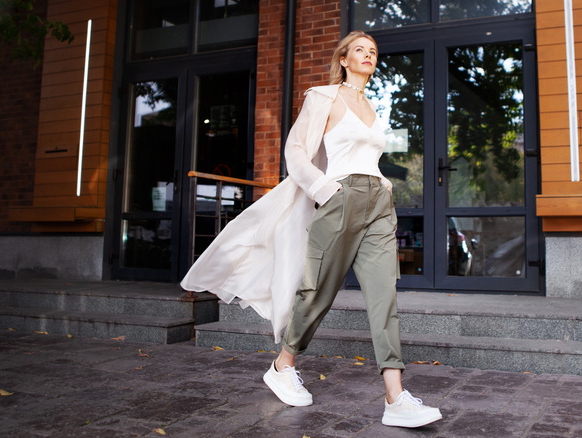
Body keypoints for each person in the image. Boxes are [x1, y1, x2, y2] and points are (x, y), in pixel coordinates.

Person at [181, 31, 442, 429]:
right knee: (317, 291)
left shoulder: (372, 106)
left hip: (377, 204)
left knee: (383, 296)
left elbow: (366, 156)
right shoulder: (324, 96)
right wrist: (325, 189)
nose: (368, 55)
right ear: (343, 59)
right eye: (360, 50)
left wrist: (383, 182)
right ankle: (283, 364)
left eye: (373, 51)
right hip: (341, 198)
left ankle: (396, 396)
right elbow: (296, 150)